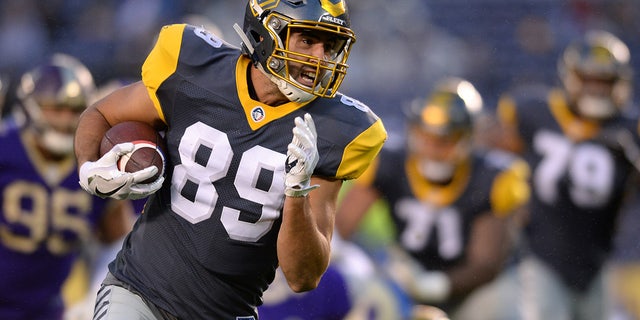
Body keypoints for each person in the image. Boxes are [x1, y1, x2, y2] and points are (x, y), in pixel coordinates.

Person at [74, 0, 387, 319]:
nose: (320, 58)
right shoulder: (197, 70)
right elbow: (101, 112)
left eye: (330, 45)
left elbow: (302, 276)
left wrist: (297, 194)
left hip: (228, 312)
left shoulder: (337, 128)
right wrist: (87, 167)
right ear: (266, 33)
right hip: (139, 291)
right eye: (307, 40)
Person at [335, 77, 530, 319]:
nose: (432, 148)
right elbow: (341, 228)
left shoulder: (493, 177)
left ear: (469, 137)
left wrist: (435, 285)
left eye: (445, 139)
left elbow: (486, 265)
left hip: (477, 288)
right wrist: (359, 263)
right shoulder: (391, 162)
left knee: (496, 309)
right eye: (426, 136)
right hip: (408, 272)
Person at [494, 29, 640, 320]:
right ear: (572, 77)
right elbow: (492, 157)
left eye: (605, 81)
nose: (596, 89)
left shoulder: (629, 128)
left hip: (596, 260)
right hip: (540, 253)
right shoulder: (535, 112)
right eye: (589, 79)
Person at [0, 53, 135, 320]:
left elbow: (119, 243)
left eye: (74, 110)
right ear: (30, 107)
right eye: (56, 108)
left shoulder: (95, 160)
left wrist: (96, 295)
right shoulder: (6, 148)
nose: (65, 119)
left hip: (51, 309)